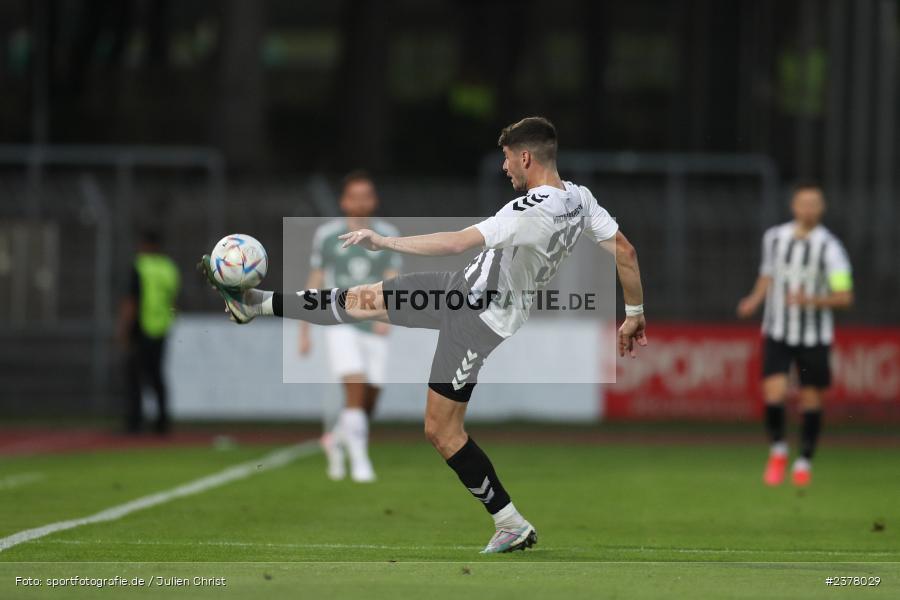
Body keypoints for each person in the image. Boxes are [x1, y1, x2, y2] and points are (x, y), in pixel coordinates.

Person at [199, 117, 647, 553]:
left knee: (441, 430)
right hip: (458, 292)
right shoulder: (580, 198)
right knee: (360, 300)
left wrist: (384, 242)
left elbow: (456, 242)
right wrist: (634, 313)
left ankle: (510, 523)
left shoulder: (527, 210)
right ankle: (254, 303)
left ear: (526, 157)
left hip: (476, 319)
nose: (504, 167)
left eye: (508, 159)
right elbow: (624, 251)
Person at [737, 183, 853, 487]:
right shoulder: (774, 238)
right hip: (778, 330)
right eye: (804, 203)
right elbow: (767, 274)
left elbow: (844, 296)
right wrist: (753, 299)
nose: (809, 209)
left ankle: (804, 461)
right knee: (773, 393)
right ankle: (778, 450)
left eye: (815, 203)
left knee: (810, 399)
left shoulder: (831, 248)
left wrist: (811, 300)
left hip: (814, 336)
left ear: (821, 208)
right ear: (794, 206)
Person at [300, 171, 401, 482]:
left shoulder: (387, 233)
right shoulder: (327, 235)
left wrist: (391, 316)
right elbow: (316, 280)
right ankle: (360, 462)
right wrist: (304, 328)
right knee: (355, 389)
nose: (360, 201)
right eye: (354, 196)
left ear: (374, 200)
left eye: (365, 195)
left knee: (371, 396)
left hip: (375, 323)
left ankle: (336, 437)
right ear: (344, 201)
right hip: (339, 320)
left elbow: (393, 280)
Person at [118, 228, 180, 434]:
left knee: (134, 376)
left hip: (141, 326)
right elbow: (173, 299)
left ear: (146, 246)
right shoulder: (168, 268)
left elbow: (132, 301)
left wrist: (124, 328)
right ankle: (162, 422)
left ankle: (134, 422)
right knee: (157, 376)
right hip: (161, 327)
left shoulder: (140, 267)